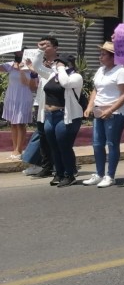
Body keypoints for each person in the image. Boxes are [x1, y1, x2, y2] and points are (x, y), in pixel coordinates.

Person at [83, 42, 124, 188]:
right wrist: (90, 106)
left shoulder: (121, 71)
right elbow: (95, 89)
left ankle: (110, 176)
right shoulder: (101, 70)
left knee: (112, 144)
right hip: (99, 111)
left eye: (104, 54)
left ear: (113, 57)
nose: (100, 57)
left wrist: (110, 110)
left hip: (115, 113)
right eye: (101, 54)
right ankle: (99, 174)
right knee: (97, 144)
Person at [42, 54, 84, 187]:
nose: (56, 65)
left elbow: (65, 83)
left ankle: (69, 175)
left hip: (65, 116)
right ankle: (59, 173)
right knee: (53, 146)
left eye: (60, 63)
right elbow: (37, 68)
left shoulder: (75, 77)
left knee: (63, 145)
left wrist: (60, 68)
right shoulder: (53, 75)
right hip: (50, 115)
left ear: (68, 64)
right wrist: (40, 51)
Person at [27, 36, 59, 179]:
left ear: (55, 48)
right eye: (42, 46)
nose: (43, 48)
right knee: (43, 137)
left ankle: (63, 165)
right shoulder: (41, 63)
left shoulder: (61, 63)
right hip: (41, 104)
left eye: (46, 45)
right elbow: (35, 72)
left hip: (55, 105)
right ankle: (46, 166)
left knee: (56, 138)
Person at [1, 50, 35, 158]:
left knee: (20, 123)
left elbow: (29, 85)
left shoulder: (30, 67)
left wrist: (21, 69)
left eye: (20, 52)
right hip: (12, 97)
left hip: (24, 97)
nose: (18, 54)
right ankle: (14, 148)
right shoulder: (10, 65)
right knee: (13, 123)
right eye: (16, 53)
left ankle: (19, 150)